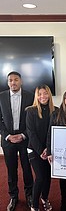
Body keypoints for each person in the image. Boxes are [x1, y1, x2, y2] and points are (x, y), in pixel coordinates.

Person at [0, 71, 33, 211]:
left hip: (25, 139)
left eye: (16, 80)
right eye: (10, 80)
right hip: (8, 140)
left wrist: (23, 135)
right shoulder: (1, 97)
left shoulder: (30, 96)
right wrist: (8, 136)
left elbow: (33, 121)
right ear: (8, 82)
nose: (13, 82)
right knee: (11, 170)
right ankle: (13, 196)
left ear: (21, 81)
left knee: (27, 168)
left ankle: (30, 195)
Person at [26, 85, 57, 211]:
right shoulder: (30, 111)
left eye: (45, 94)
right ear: (36, 96)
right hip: (34, 150)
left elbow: (55, 131)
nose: (43, 96)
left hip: (49, 150)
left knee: (48, 176)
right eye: (40, 94)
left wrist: (48, 150)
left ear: (49, 95)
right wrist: (41, 151)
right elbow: (31, 133)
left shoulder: (55, 110)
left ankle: (45, 198)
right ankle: (34, 204)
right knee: (40, 177)